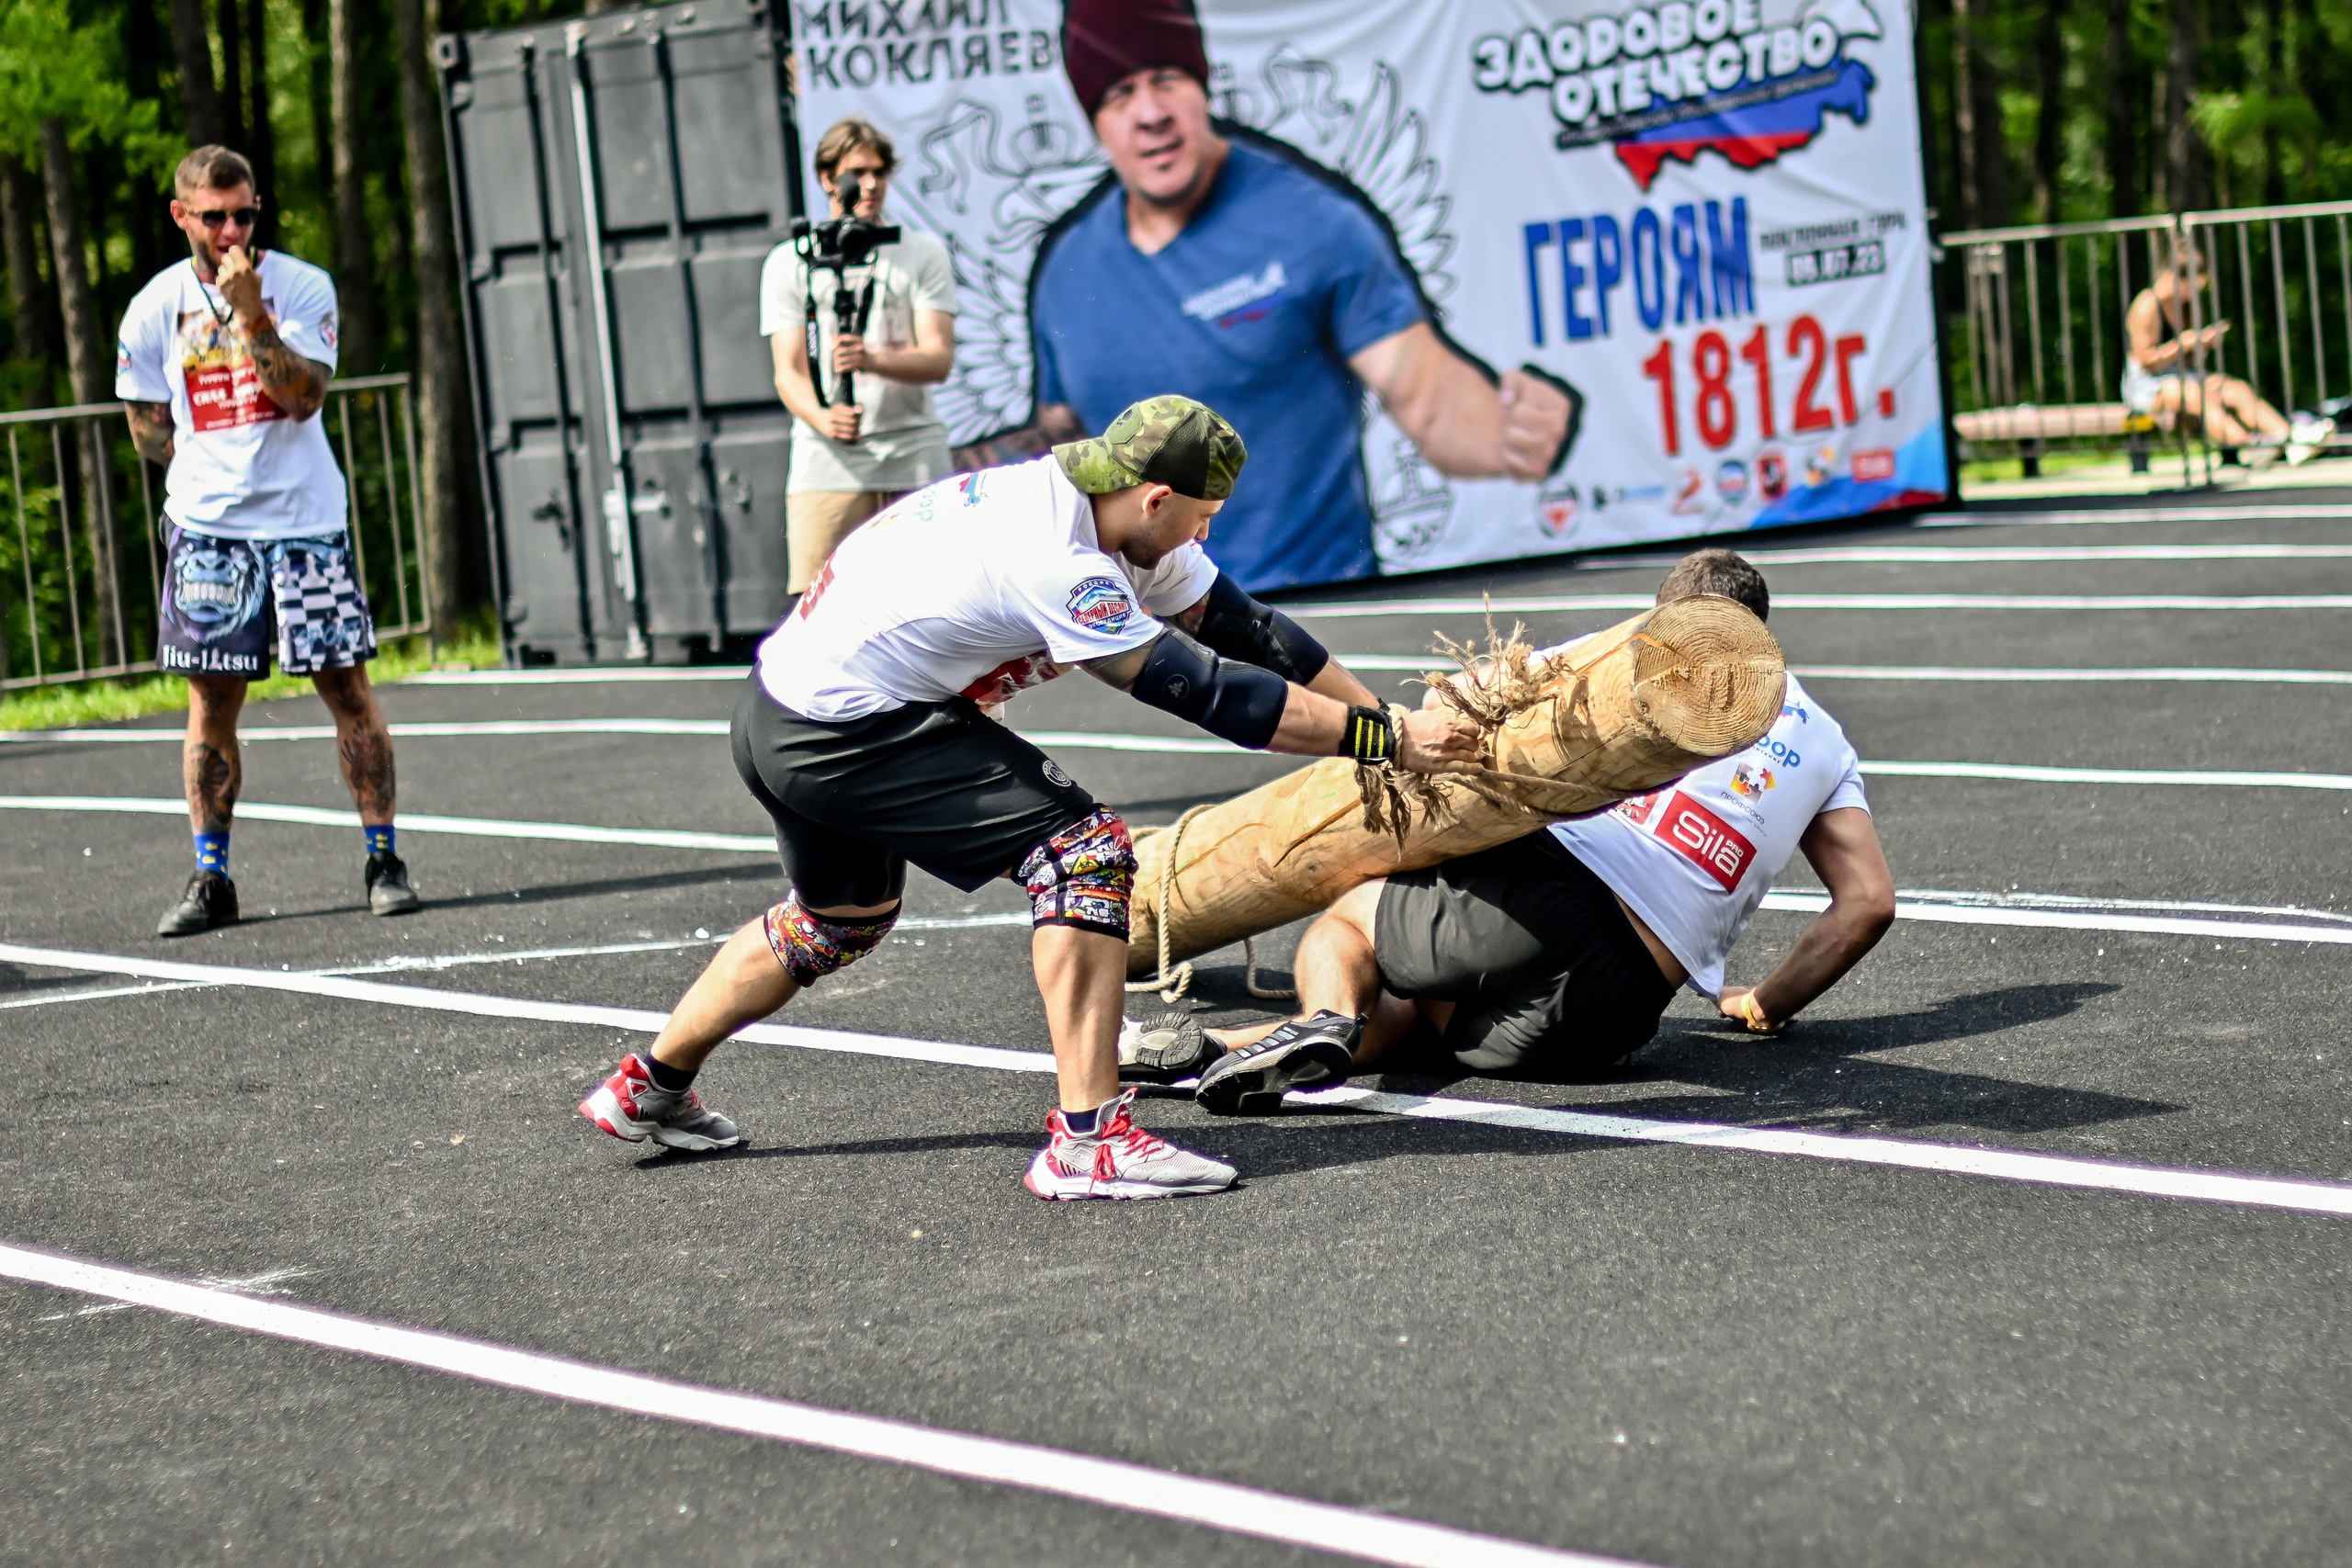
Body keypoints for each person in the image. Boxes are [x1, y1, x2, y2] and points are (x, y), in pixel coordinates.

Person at [577, 395, 1482, 1198]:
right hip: (843, 730)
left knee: (835, 922)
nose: (1204, 540)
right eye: (1202, 520)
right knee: (1085, 854)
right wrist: (1391, 743)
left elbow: (1255, 635)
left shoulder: (1110, 513)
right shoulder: (1056, 556)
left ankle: (649, 1085)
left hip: (786, 707)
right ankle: (1088, 1144)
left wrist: (1388, 720)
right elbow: (1209, 694)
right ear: (1155, 500)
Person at [1181, 548, 1896, 1112]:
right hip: (1618, 1012)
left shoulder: (1631, 658)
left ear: (1663, 619)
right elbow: (1868, 903)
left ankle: (1325, 1016)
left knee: (1349, 926)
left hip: (1553, 900)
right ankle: (1202, 1052)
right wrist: (1764, 1005)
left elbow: (1455, 697)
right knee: (1414, 1016)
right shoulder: (1826, 740)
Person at [1004, 0, 1574, 592]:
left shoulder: (1312, 222)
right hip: (1143, 619)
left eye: (1167, 79)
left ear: (1203, 85)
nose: (1151, 113)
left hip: (1316, 608)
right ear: (1094, 120)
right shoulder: (1065, 270)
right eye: (1120, 94)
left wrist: (1504, 433)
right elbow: (1063, 442)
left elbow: (1426, 392)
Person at [116, 145, 418, 937]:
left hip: (305, 524)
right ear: (181, 215)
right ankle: (211, 876)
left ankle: (384, 860)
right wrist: (205, 474)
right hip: (211, 530)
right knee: (211, 704)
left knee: (346, 688)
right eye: (214, 217)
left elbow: (303, 398)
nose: (231, 232)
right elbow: (146, 426)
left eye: (244, 215)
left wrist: (251, 312)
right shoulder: (154, 306)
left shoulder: (302, 285)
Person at [760, 115, 958, 594]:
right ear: (827, 178)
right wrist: (823, 418)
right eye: (856, 173)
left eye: (879, 173)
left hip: (914, 454)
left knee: (935, 596)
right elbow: (788, 372)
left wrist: (869, 359)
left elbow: (938, 359)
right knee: (819, 605)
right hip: (827, 461)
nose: (870, 185)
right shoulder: (791, 260)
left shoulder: (921, 251)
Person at [2123, 243, 2334, 462]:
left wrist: (2202, 346)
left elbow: (2188, 361)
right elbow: (2145, 361)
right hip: (2146, 385)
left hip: (2182, 376)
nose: (2193, 294)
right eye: (2192, 288)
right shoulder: (2147, 305)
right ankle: (2248, 446)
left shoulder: (2183, 307)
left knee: (2236, 389)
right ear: (2176, 278)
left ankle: (2290, 439)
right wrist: (2182, 344)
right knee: (2192, 394)